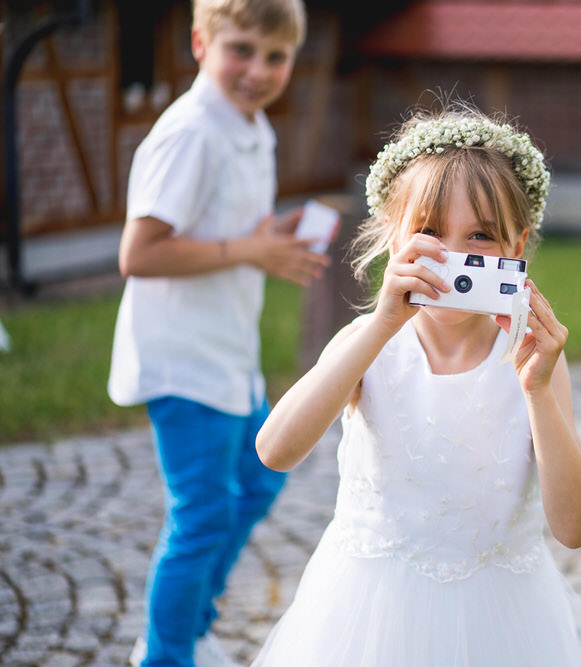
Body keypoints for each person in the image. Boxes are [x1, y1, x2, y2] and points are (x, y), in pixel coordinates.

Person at [251, 105, 581, 666]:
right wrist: (379, 325)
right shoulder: (369, 343)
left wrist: (538, 391)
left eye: (480, 236)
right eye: (427, 232)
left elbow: (575, 528)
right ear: (394, 241)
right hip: (368, 610)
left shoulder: (532, 361)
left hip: (502, 620)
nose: (452, 257)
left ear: (516, 249)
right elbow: (275, 450)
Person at [107, 1, 329, 665]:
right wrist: (249, 250)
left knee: (260, 480)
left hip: (230, 352)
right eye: (241, 49)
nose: (257, 70)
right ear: (200, 43)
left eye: (275, 56)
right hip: (183, 359)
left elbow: (222, 228)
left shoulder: (248, 123)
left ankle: (192, 617)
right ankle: (167, 653)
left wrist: (268, 237)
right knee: (200, 519)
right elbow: (138, 254)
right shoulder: (192, 132)